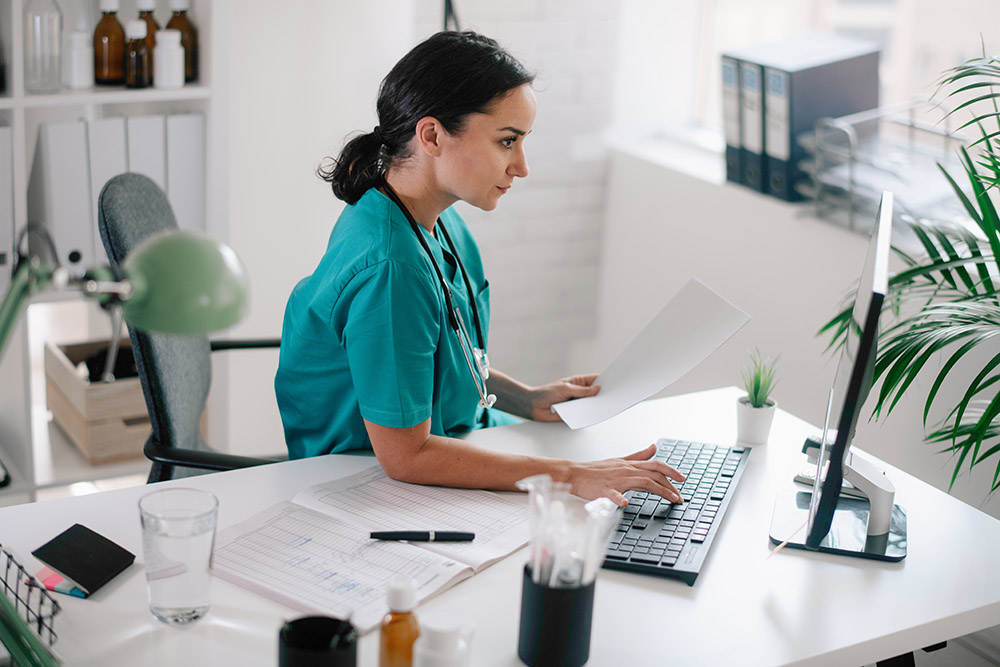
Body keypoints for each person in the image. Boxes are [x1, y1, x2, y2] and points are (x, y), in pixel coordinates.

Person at [274, 30, 683, 507]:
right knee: (584, 507)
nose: (522, 166)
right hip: (371, 484)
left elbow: (443, 351)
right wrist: (570, 477)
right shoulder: (391, 269)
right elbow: (406, 457)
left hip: (458, 437)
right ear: (431, 136)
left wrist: (525, 398)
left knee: (615, 460)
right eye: (507, 141)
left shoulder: (429, 217)